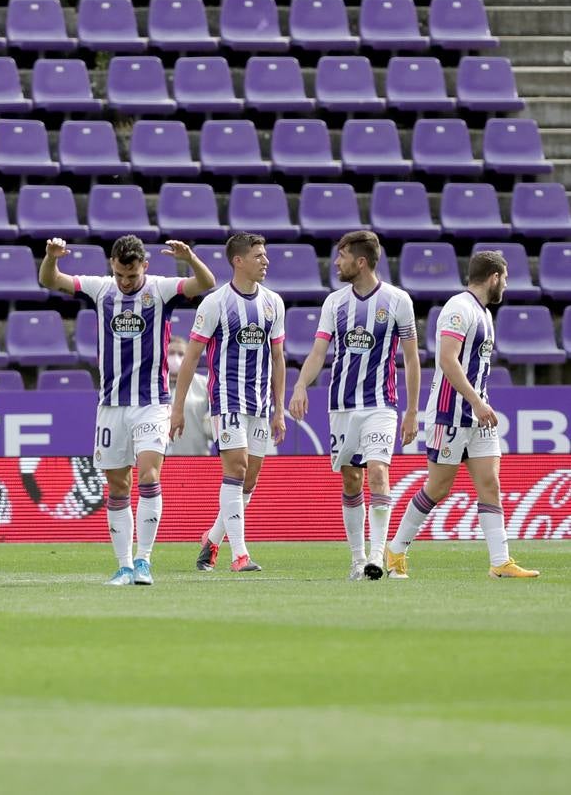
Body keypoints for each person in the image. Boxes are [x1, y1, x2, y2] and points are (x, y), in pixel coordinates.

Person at [39, 235, 216, 586]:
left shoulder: (161, 290)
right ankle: (122, 566)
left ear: (144, 267)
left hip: (151, 403)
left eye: (131, 276)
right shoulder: (100, 289)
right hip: (111, 406)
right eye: (120, 274)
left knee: (149, 476)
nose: (125, 282)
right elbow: (50, 279)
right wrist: (50, 257)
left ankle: (144, 562)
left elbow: (207, 284)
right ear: (112, 266)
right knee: (118, 486)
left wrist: (190, 258)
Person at [384, 251, 539, 580]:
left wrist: (480, 404)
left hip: (477, 416)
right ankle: (396, 549)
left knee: (490, 484)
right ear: (494, 277)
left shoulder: (483, 313)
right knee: (438, 488)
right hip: (449, 413)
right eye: (505, 279)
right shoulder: (459, 308)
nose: (506, 286)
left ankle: (500, 562)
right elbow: (448, 360)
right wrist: (476, 402)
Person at [288, 231, 421, 581]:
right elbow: (319, 351)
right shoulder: (335, 303)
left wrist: (411, 411)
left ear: (360, 261)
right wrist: (301, 384)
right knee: (351, 479)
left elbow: (411, 358)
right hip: (341, 406)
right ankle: (358, 559)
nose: (336, 262)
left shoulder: (398, 301)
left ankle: (379, 556)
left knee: (377, 472)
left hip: (381, 404)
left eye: (342, 256)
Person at [171, 233, 287, 573]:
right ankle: (240, 555)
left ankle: (211, 540)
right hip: (228, 400)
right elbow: (191, 357)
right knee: (235, 469)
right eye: (258, 256)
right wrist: (178, 407)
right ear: (238, 261)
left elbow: (278, 358)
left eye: (265, 255)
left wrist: (279, 409)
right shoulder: (215, 303)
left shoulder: (273, 303)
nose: (265, 261)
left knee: (248, 481)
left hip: (261, 404)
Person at [164, 338, 213, 457]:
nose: (175, 358)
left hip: (195, 458)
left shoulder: (204, 384)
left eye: (181, 354)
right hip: (159, 460)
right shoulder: (151, 384)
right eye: (171, 353)